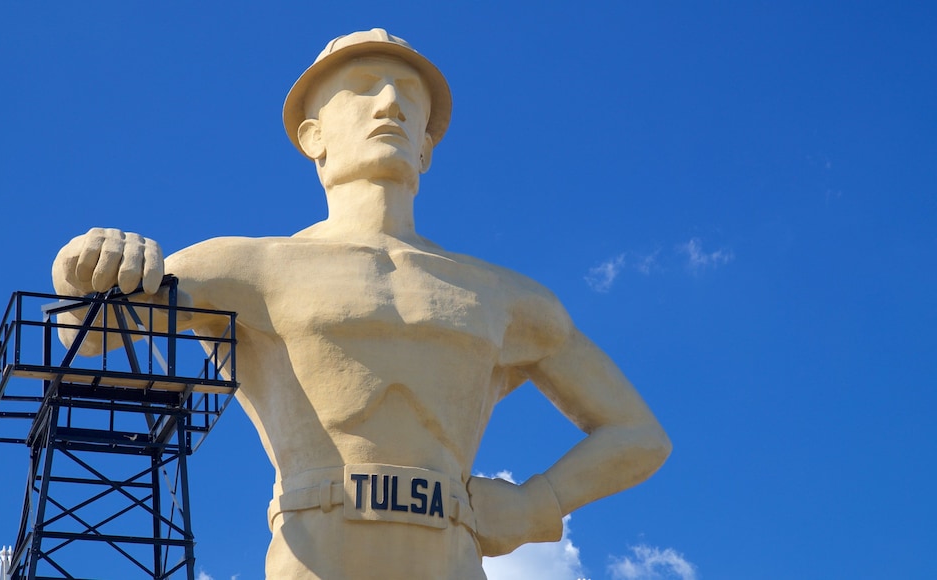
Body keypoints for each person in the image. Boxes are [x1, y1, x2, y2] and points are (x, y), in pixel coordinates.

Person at [52, 28, 671, 579]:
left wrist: (539, 502)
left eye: (409, 96)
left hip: (450, 558)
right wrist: (82, 268)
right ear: (313, 135)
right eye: (363, 87)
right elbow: (92, 332)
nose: (390, 104)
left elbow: (638, 433)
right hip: (315, 559)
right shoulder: (248, 268)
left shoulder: (500, 295)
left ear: (426, 147)